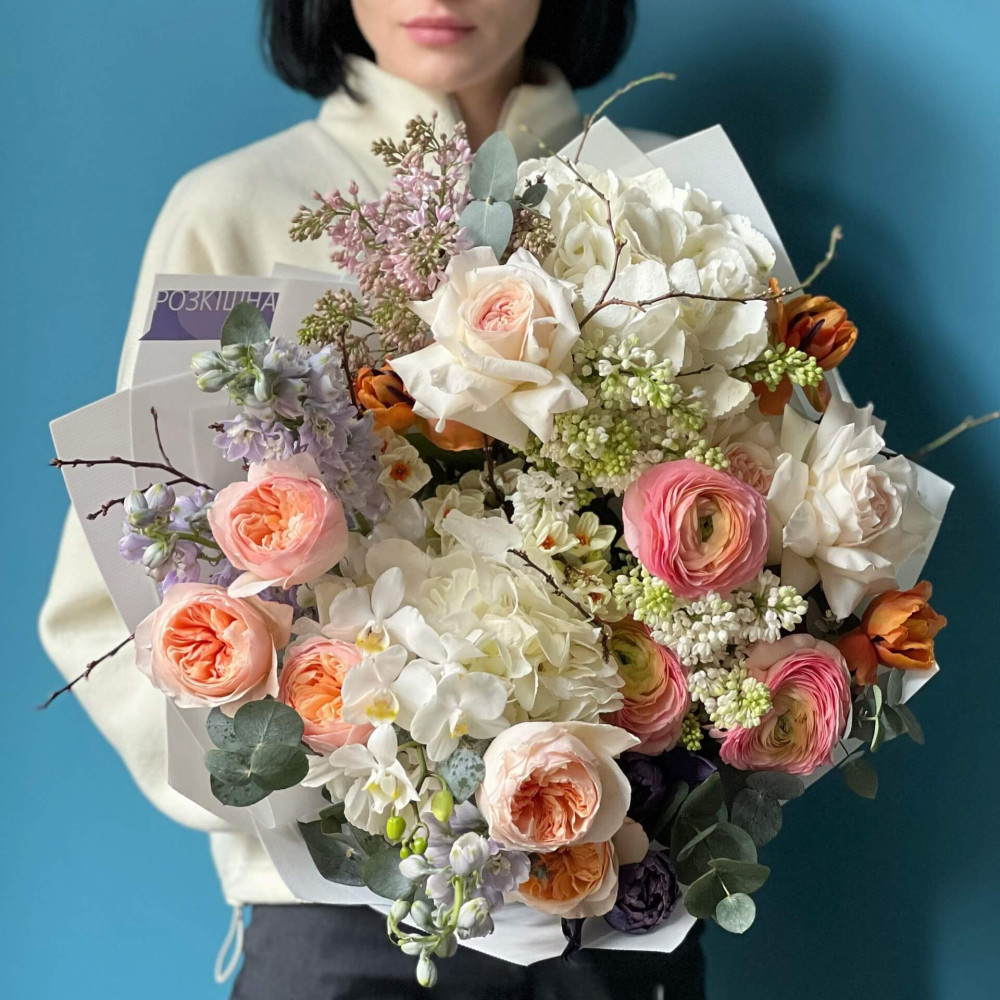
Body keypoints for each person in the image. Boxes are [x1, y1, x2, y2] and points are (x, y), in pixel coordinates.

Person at [39, 2, 704, 996]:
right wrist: (343, 803)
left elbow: (783, 532)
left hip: (618, 894)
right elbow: (109, 598)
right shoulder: (236, 207)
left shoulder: (670, 194)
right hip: (348, 921)